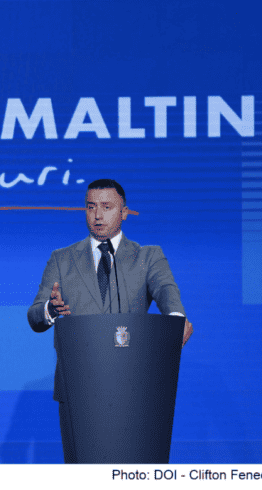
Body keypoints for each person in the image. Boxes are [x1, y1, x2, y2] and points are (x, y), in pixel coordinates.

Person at [27, 178, 192, 463]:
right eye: (90, 207)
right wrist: (50, 310)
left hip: (136, 385)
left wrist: (176, 325)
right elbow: (34, 316)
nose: (97, 215)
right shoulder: (62, 259)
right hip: (78, 388)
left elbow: (168, 295)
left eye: (107, 207)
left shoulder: (147, 257)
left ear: (124, 212)